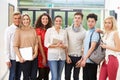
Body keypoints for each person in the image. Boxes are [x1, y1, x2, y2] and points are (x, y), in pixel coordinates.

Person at [13, 13, 38, 80]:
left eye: (27, 19)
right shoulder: (18, 31)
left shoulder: (33, 30)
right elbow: (15, 46)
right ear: (21, 20)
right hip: (24, 58)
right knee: (26, 77)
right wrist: (20, 57)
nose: (26, 21)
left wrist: (35, 54)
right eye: (24, 19)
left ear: (29, 20)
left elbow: (36, 43)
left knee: (33, 76)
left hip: (33, 57)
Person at [44, 15, 68, 80]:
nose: (58, 22)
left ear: (62, 22)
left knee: (59, 77)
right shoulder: (49, 30)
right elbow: (46, 44)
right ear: (54, 22)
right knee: (54, 76)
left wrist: (63, 46)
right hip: (52, 57)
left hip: (62, 57)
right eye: (57, 21)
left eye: (60, 21)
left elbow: (66, 44)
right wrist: (55, 46)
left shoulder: (64, 31)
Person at [65, 12, 86, 80]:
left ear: (81, 20)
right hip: (69, 57)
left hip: (78, 58)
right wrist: (66, 56)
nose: (77, 20)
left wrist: (81, 59)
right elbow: (65, 43)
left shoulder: (84, 32)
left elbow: (84, 46)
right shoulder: (67, 30)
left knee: (76, 77)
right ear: (73, 19)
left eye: (79, 18)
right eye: (75, 18)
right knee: (67, 76)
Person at [81, 13, 100, 80]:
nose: (90, 23)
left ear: (95, 22)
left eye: (92, 21)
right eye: (89, 21)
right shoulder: (87, 32)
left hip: (92, 61)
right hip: (86, 61)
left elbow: (92, 47)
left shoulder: (95, 33)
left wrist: (85, 59)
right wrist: (83, 59)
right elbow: (85, 47)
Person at [4, 11, 22, 80]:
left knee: (18, 75)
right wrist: (7, 58)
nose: (17, 20)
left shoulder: (21, 28)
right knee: (12, 75)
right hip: (12, 57)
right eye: (15, 18)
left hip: (20, 57)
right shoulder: (9, 30)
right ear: (13, 19)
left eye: (19, 18)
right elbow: (6, 45)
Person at [35, 13, 52, 80]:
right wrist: (44, 57)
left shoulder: (50, 30)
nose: (45, 20)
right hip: (40, 54)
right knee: (41, 75)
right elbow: (39, 44)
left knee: (46, 75)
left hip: (50, 54)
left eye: (46, 19)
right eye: (43, 19)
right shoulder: (38, 30)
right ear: (40, 20)